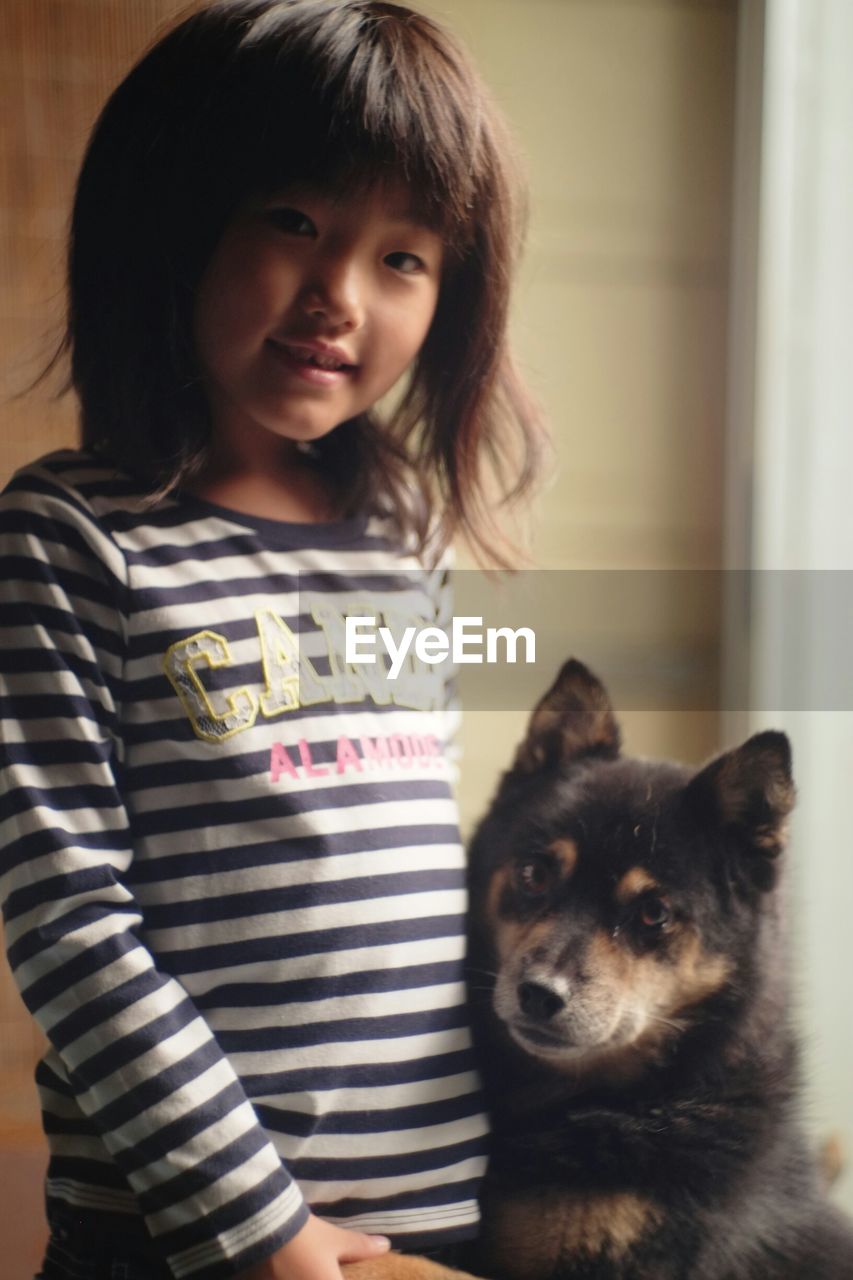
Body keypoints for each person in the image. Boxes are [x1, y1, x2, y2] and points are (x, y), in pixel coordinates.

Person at [0, 2, 546, 1278]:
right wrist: (259, 1228)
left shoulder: (402, 518)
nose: (337, 297)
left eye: (403, 257)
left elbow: (394, 862)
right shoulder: (74, 536)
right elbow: (69, 917)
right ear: (170, 223)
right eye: (295, 221)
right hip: (182, 1231)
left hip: (432, 1213)